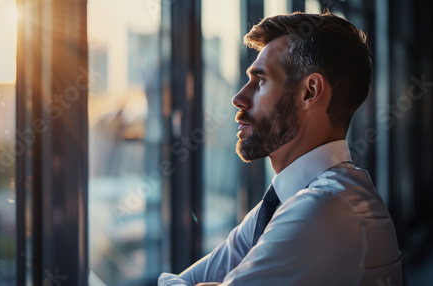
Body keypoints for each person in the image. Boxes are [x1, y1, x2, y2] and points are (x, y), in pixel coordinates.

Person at [158, 12, 402, 286]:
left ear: (310, 91)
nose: (238, 98)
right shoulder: (280, 204)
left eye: (260, 80)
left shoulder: (323, 207)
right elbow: (179, 281)